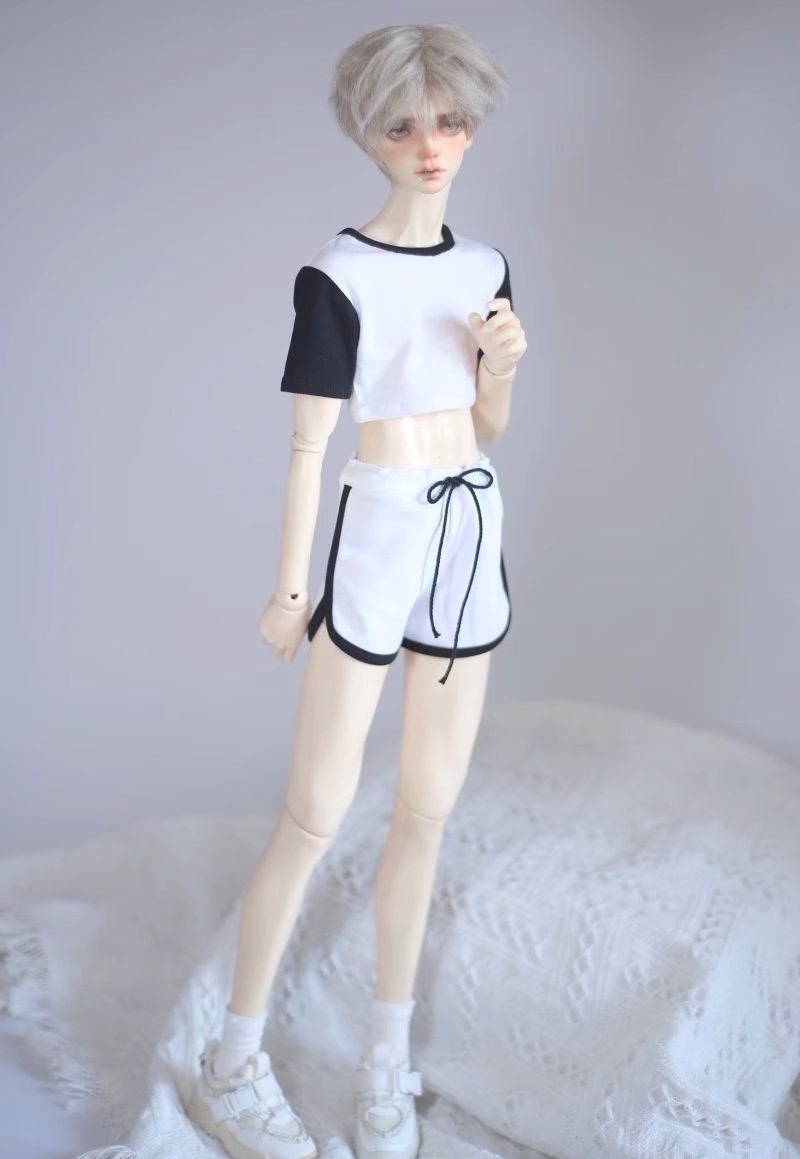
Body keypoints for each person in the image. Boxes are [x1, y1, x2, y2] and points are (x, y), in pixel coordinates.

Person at [187, 22, 527, 1159]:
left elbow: (484, 425)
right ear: (365, 132)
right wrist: (292, 588)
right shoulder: (336, 279)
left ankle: (387, 1057)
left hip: (467, 526)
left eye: (449, 121)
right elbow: (308, 447)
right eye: (401, 125)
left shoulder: (485, 268)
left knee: (427, 809)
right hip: (380, 529)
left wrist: (500, 371)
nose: (429, 145)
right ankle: (231, 1059)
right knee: (314, 813)